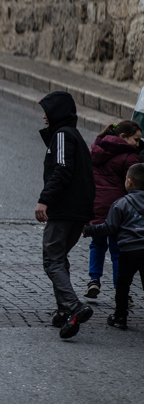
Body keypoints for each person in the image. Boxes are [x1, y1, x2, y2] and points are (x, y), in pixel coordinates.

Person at [35, 91, 96, 339]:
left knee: (52, 260)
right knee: (59, 258)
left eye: (47, 112)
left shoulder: (62, 135)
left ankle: (74, 306)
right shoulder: (74, 136)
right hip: (78, 211)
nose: (44, 117)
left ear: (57, 113)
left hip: (64, 210)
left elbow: (61, 170)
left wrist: (44, 200)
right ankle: (63, 312)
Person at [83, 120, 141, 301]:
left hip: (96, 204)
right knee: (118, 250)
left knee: (97, 243)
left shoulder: (96, 148)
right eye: (136, 139)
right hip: (119, 208)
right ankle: (120, 290)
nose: (138, 144)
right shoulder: (129, 155)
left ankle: (94, 280)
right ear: (123, 137)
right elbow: (133, 184)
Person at [83, 164, 144, 330]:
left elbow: (109, 227)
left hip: (129, 251)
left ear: (129, 182)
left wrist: (88, 230)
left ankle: (120, 317)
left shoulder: (121, 203)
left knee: (123, 283)